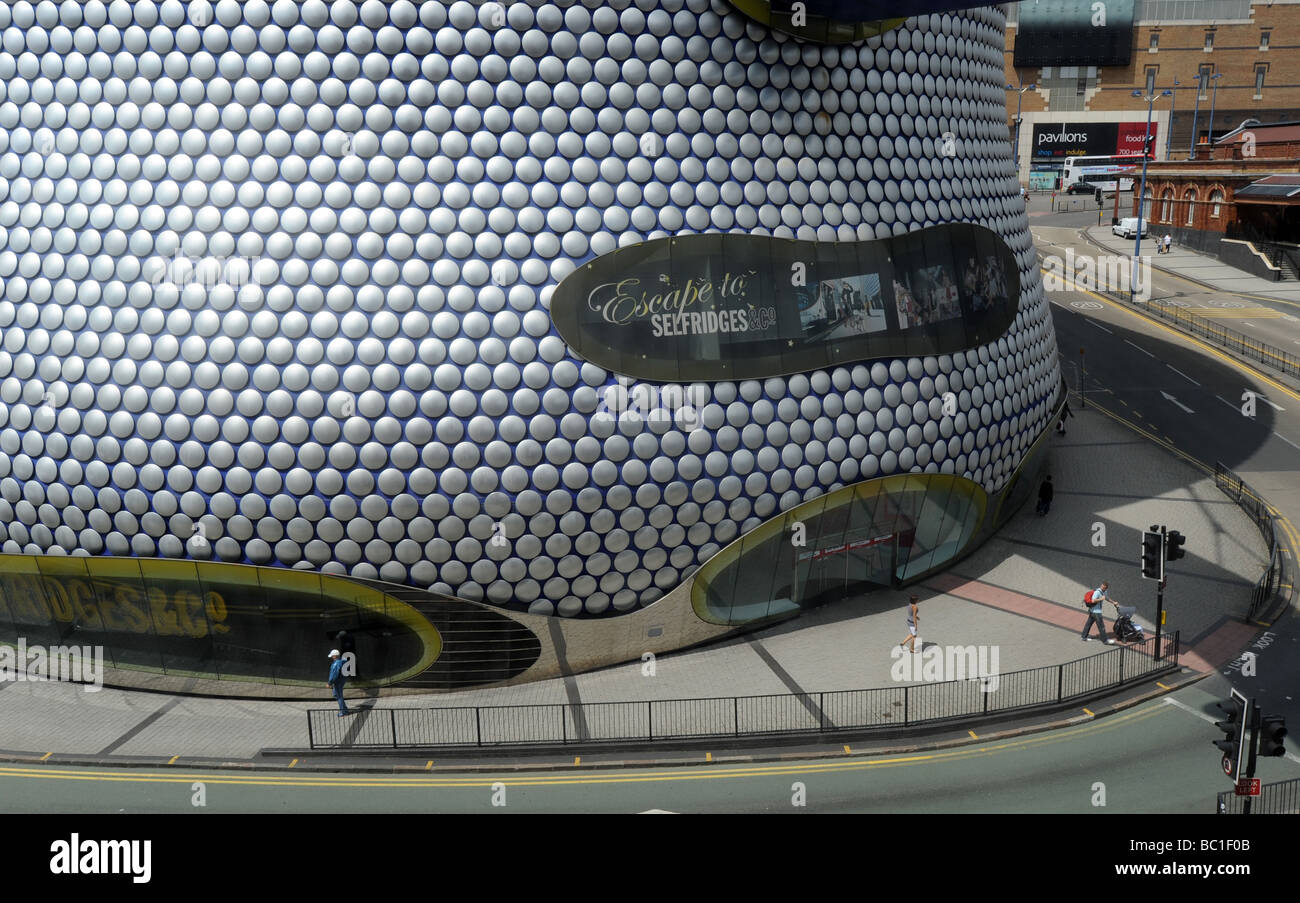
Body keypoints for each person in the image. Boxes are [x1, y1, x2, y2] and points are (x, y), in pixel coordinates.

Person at [327, 649, 350, 716]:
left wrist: (329, 683)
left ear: (334, 656)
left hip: (338, 682)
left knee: (339, 696)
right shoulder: (343, 661)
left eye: (332, 656)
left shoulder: (336, 664)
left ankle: (343, 711)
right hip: (342, 680)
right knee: (336, 694)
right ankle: (345, 709)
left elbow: (334, 675)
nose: (331, 657)